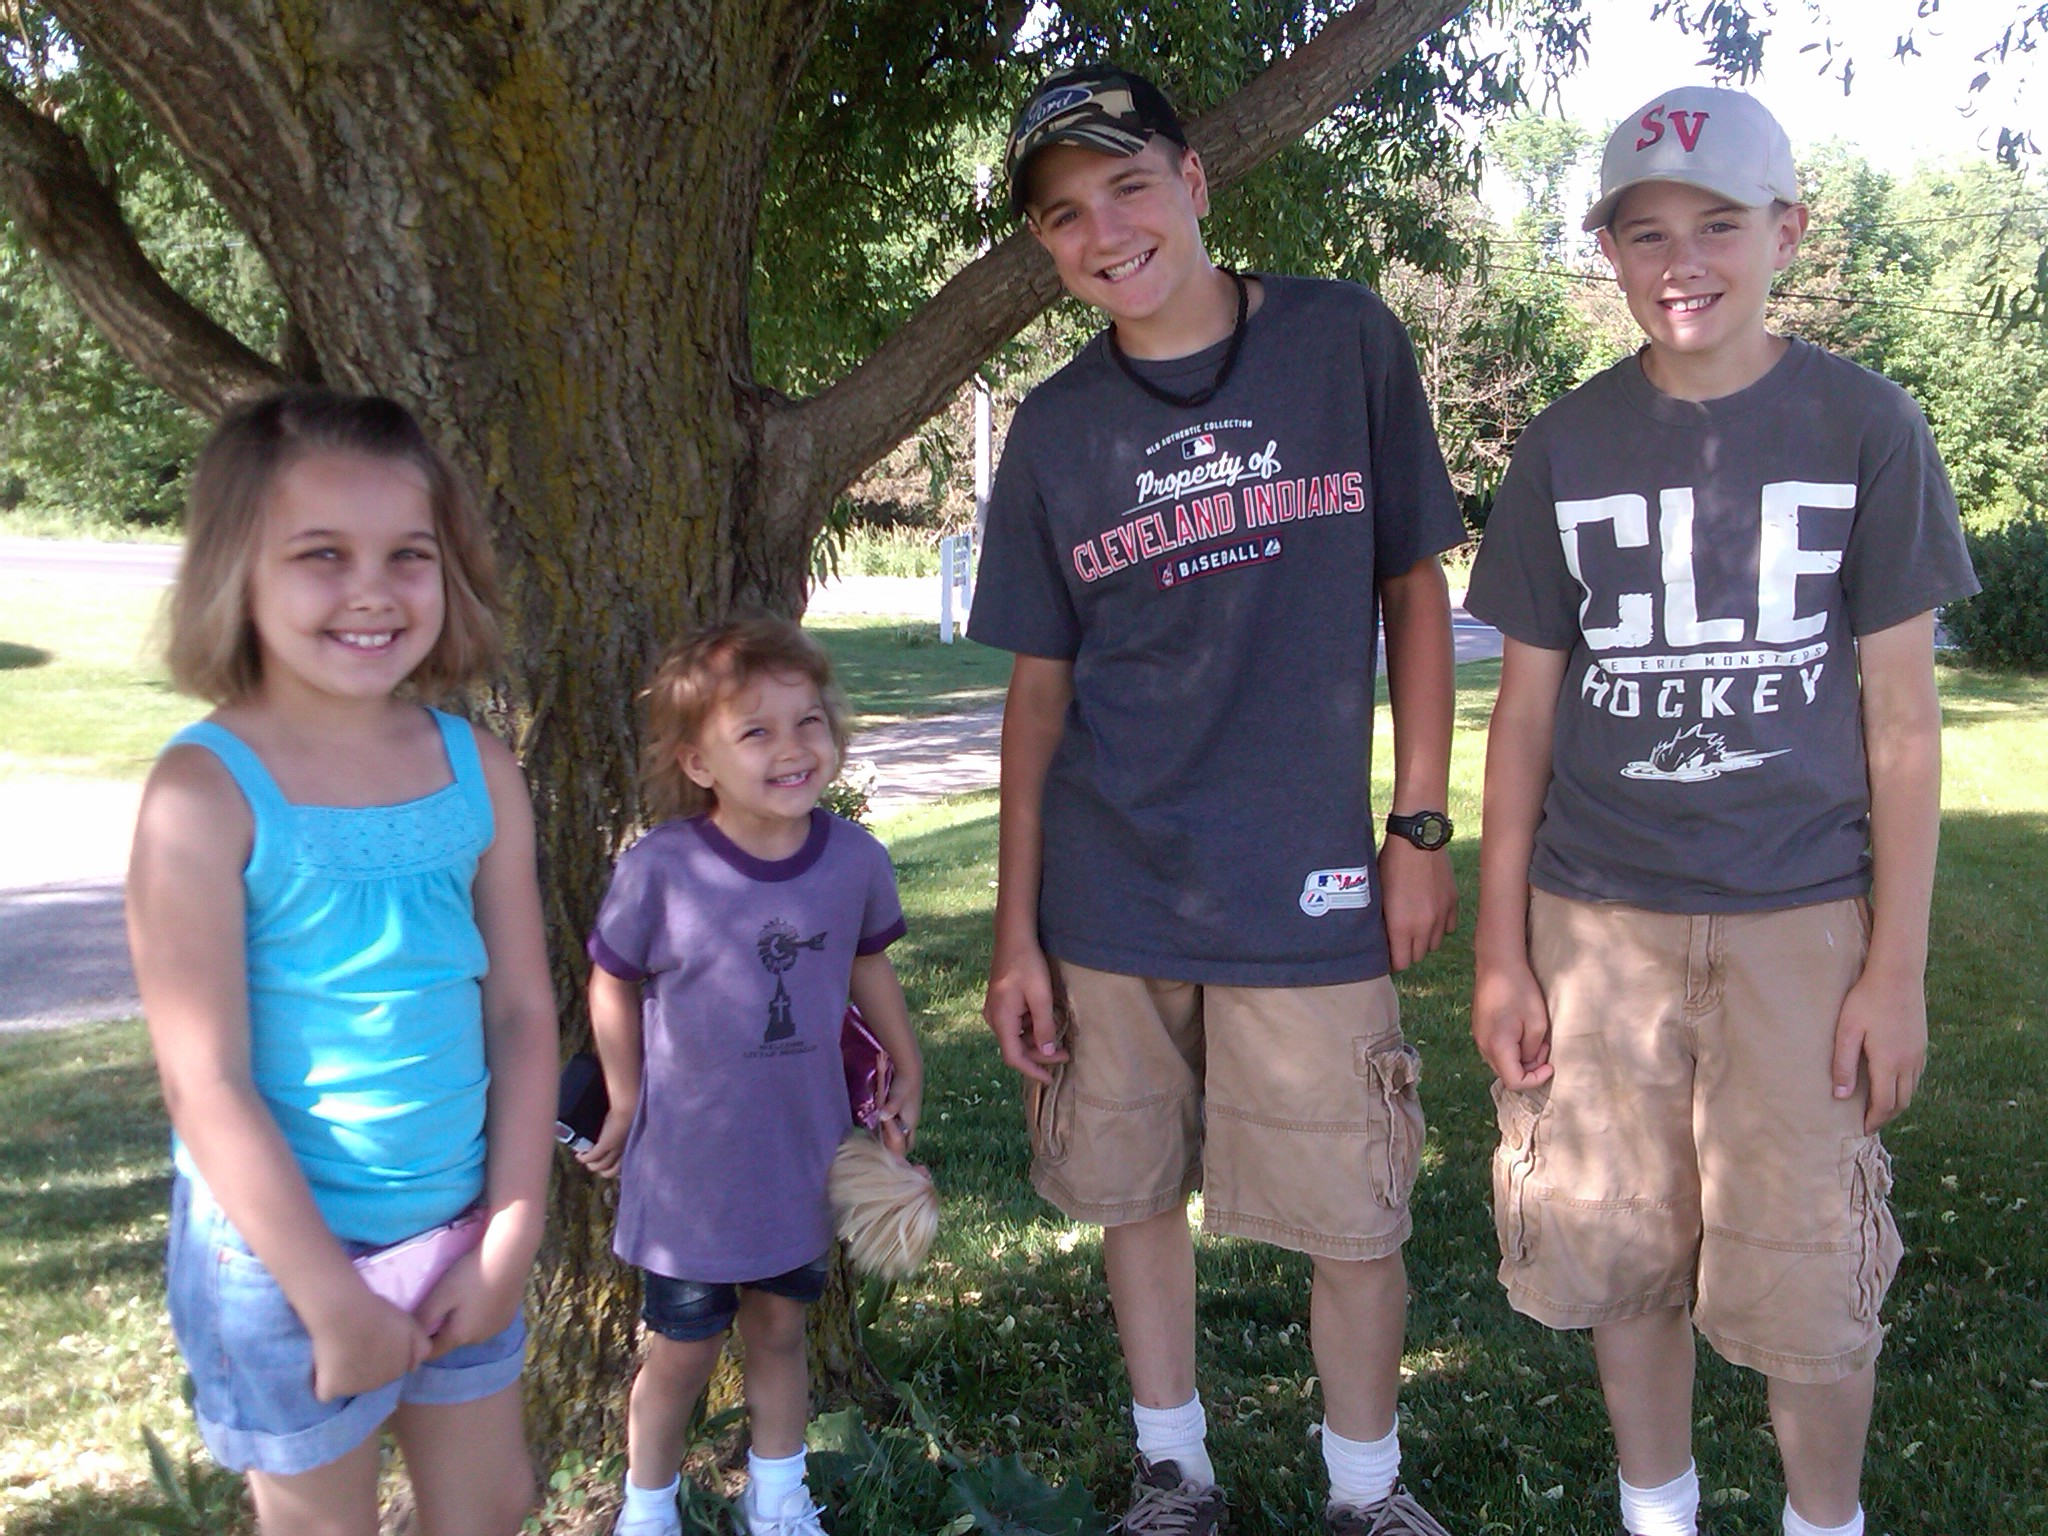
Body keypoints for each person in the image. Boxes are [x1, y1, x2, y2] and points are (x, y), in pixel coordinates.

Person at [1465, 87, 1979, 1536]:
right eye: (1645, 233)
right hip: (1595, 918)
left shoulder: (1865, 424)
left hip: (1798, 920)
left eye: (1717, 225)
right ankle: (1659, 1514)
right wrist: (1501, 951)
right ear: (1607, 252)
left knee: (1810, 1271)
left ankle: (1824, 1520)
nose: (1680, 260)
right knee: (1622, 1249)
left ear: (1786, 233)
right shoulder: (1564, 445)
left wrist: (1893, 968)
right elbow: (1522, 718)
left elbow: (1902, 722)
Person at [970, 64, 1465, 1536]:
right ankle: (1173, 1472)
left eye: (1128, 186)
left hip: (1308, 882)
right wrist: (1013, 935)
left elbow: (1413, 590)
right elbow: (1036, 701)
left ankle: (1366, 1492)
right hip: (1111, 890)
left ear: (1192, 183)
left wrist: (1417, 824)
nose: (1103, 231)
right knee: (1133, 1192)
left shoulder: (1341, 340)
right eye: (1064, 215)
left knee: (1354, 1207)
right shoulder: (1055, 430)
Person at [128, 389, 558, 1536]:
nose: (372, 589)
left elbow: (521, 1015)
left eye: (407, 555)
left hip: (458, 1226)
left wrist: (511, 1230)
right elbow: (203, 1080)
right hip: (276, 1262)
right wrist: (328, 1297)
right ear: (238, 570)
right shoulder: (203, 793)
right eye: (322, 554)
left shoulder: (477, 768)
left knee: (492, 1506)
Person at [579, 617, 923, 1536]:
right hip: (688, 1174)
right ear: (699, 762)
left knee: (779, 1334)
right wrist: (623, 1095)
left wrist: (908, 1059)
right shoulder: (662, 870)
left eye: (808, 721)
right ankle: (647, 1511)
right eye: (757, 731)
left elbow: (868, 964)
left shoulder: (853, 860)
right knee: (682, 1353)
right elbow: (610, 980)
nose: (792, 748)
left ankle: (779, 1500)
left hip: (801, 1159)